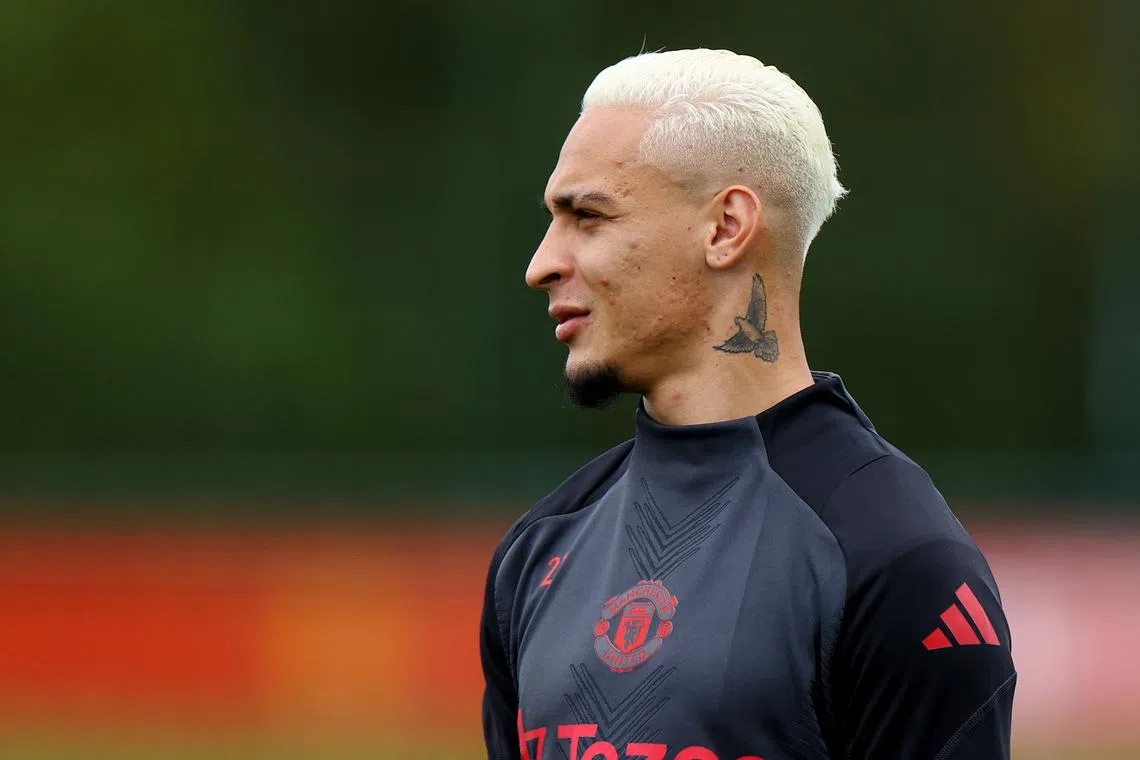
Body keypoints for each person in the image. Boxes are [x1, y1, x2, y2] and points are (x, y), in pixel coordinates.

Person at [481, 48, 1015, 760]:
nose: (541, 263)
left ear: (727, 227)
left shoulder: (897, 562)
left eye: (588, 216)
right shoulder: (537, 550)